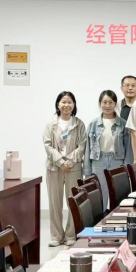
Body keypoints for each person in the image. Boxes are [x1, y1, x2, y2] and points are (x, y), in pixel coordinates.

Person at [43, 91, 86, 247]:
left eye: (69, 102)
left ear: (74, 105)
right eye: (63, 102)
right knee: (55, 203)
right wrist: (60, 162)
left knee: (73, 201)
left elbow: (82, 145)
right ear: (58, 104)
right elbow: (47, 145)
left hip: (73, 168)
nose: (66, 105)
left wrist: (69, 162)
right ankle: (56, 236)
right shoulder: (51, 124)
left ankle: (71, 235)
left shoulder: (79, 124)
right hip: (54, 168)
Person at [84, 90, 133, 211]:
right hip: (98, 161)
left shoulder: (122, 123)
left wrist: (126, 167)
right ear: (100, 104)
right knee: (100, 194)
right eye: (104, 102)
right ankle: (100, 219)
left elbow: (128, 147)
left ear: (115, 104)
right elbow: (87, 148)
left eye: (110, 102)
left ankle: (118, 218)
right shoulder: (93, 124)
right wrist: (87, 170)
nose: (107, 105)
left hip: (117, 161)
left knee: (119, 192)